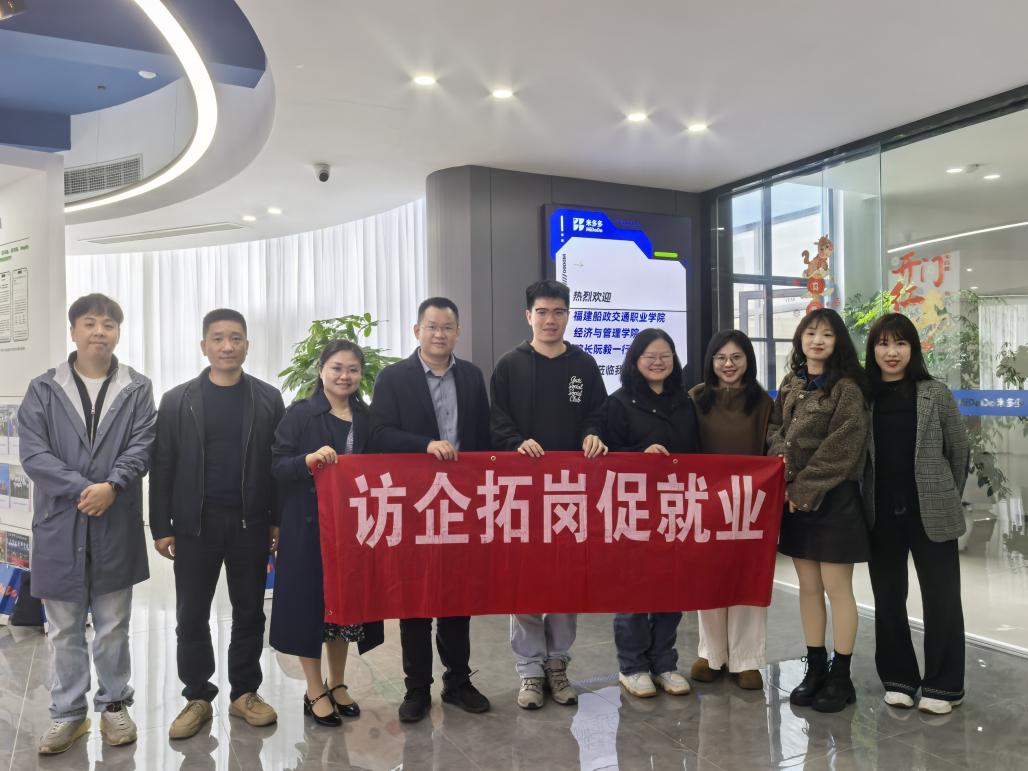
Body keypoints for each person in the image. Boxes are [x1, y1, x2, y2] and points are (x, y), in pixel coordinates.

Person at [19, 294, 156, 754]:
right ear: (74, 330)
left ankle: (114, 704)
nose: (100, 331)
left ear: (118, 332)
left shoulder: (137, 387)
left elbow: (143, 445)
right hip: (61, 523)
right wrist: (85, 488)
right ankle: (68, 714)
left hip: (115, 521)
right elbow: (34, 454)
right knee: (63, 629)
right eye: (91, 323)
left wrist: (112, 486)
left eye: (109, 324)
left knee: (114, 624)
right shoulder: (44, 388)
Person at [149, 309, 285, 739]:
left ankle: (245, 693)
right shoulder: (178, 400)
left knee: (250, 612)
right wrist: (161, 525)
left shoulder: (267, 398)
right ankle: (197, 696)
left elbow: (277, 466)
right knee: (191, 614)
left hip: (250, 523)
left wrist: (277, 520)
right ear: (204, 345)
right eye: (218, 338)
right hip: (195, 525)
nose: (228, 346)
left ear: (247, 345)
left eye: (236, 338)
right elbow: (162, 466)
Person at [369, 297, 492, 723]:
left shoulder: (472, 376)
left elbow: (484, 437)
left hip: (461, 503)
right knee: (416, 599)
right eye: (432, 326)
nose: (440, 334)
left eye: (447, 327)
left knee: (458, 596)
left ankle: (457, 682)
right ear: (417, 330)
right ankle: (417, 688)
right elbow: (379, 434)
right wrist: (424, 445)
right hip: (414, 503)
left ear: (458, 332)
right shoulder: (392, 378)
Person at [490, 279, 608, 710]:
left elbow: (598, 412)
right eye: (542, 312)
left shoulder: (584, 364)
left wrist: (593, 433)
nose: (550, 320)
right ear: (528, 316)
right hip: (522, 491)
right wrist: (515, 442)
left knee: (564, 577)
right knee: (525, 579)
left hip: (569, 493)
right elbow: (497, 420)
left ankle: (558, 664)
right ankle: (529, 670)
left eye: (558, 312)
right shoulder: (509, 365)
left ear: (567, 316)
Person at [270, 340, 384, 726]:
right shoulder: (301, 414)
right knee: (310, 609)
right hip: (308, 527)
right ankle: (314, 688)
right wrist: (308, 461)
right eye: (336, 368)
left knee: (343, 608)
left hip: (353, 528)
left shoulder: (367, 417)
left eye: (352, 369)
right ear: (321, 370)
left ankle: (337, 682)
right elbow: (277, 466)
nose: (344, 376)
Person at [862, 313, 969, 715]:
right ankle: (899, 679)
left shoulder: (934, 393)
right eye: (883, 344)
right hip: (881, 513)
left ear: (913, 349)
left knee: (942, 599)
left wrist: (945, 494)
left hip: (931, 511)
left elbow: (958, 452)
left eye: (900, 343)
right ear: (872, 350)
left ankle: (945, 685)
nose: (892, 352)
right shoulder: (864, 397)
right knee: (888, 598)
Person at [767, 307, 869, 713]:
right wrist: (782, 464)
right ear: (800, 339)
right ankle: (814, 667)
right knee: (808, 587)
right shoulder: (792, 382)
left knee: (836, 588)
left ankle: (841, 674)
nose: (817, 340)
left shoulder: (847, 388)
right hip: (795, 500)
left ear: (838, 341)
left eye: (826, 334)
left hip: (834, 500)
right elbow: (775, 429)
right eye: (810, 333)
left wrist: (802, 488)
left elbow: (843, 449)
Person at [602, 328, 698, 699]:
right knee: (633, 588)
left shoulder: (685, 402)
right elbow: (606, 456)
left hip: (675, 507)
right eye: (650, 357)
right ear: (635, 361)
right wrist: (639, 455)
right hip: (633, 509)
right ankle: (632, 666)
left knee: (671, 586)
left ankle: (664, 662)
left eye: (665, 356)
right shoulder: (618, 403)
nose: (658, 363)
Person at [688, 329, 774, 691]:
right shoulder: (695, 398)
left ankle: (746, 659)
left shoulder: (763, 402)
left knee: (747, 577)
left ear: (747, 361)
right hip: (706, 501)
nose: (728, 364)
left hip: (751, 503)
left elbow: (773, 448)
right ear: (711, 361)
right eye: (721, 358)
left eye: (736, 357)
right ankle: (711, 654)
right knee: (708, 578)